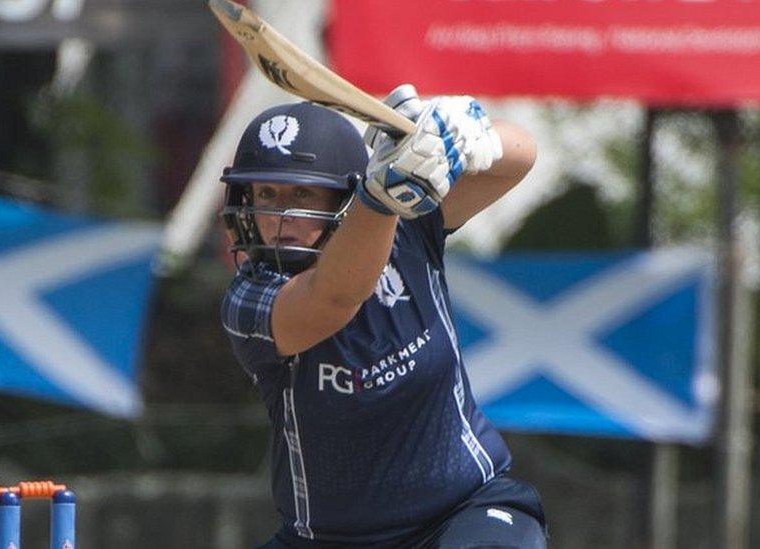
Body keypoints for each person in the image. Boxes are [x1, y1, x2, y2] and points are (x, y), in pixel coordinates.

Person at [219, 85, 546, 548]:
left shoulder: (408, 225)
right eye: (267, 193)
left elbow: (521, 157)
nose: (281, 214)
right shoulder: (250, 297)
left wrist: (460, 138)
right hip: (324, 540)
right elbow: (334, 297)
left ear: (343, 197)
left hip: (462, 513)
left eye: (302, 193)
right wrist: (383, 197)